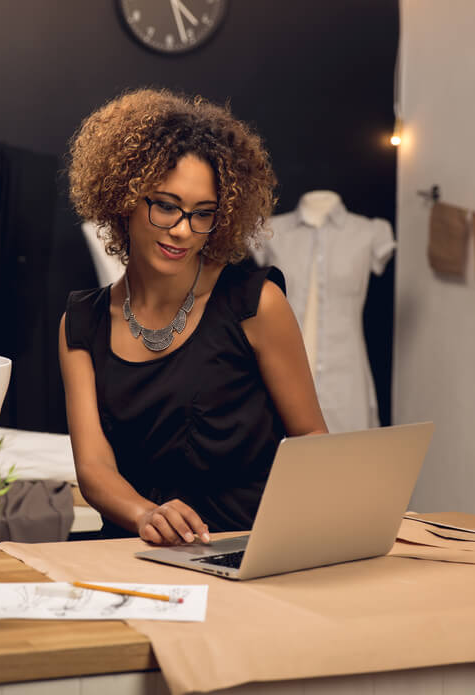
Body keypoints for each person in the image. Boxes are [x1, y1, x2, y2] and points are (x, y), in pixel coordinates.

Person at [60, 88, 328, 545]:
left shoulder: (256, 305)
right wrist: (146, 515)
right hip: (137, 552)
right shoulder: (83, 322)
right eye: (165, 205)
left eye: (203, 214)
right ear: (124, 199)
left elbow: (313, 444)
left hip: (249, 548)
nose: (183, 230)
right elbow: (93, 467)